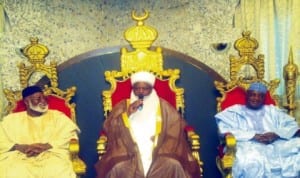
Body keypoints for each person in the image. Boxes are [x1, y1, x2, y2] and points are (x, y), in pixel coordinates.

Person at [95, 71, 201, 178]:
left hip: (160, 148)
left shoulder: (163, 106)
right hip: (128, 148)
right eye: (137, 88)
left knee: (173, 164)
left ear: (151, 88)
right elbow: (109, 127)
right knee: (118, 167)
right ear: (133, 89)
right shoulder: (123, 105)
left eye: (145, 88)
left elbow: (175, 127)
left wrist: (161, 139)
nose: (141, 91)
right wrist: (127, 113)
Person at [215, 82, 300, 178]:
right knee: (252, 159)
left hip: (275, 143)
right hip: (247, 144)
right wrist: (253, 136)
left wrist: (276, 134)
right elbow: (223, 130)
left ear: (264, 99)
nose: (256, 98)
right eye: (253, 95)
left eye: (260, 96)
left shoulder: (272, 111)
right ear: (247, 96)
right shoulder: (234, 111)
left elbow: (292, 125)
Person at [0, 85, 80, 178]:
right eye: (38, 99)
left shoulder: (58, 116)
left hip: (51, 154)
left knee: (58, 169)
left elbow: (69, 136)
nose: (43, 101)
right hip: (20, 156)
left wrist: (46, 146)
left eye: (44, 98)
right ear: (26, 102)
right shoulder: (11, 120)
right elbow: (2, 139)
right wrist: (19, 147)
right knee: (13, 171)